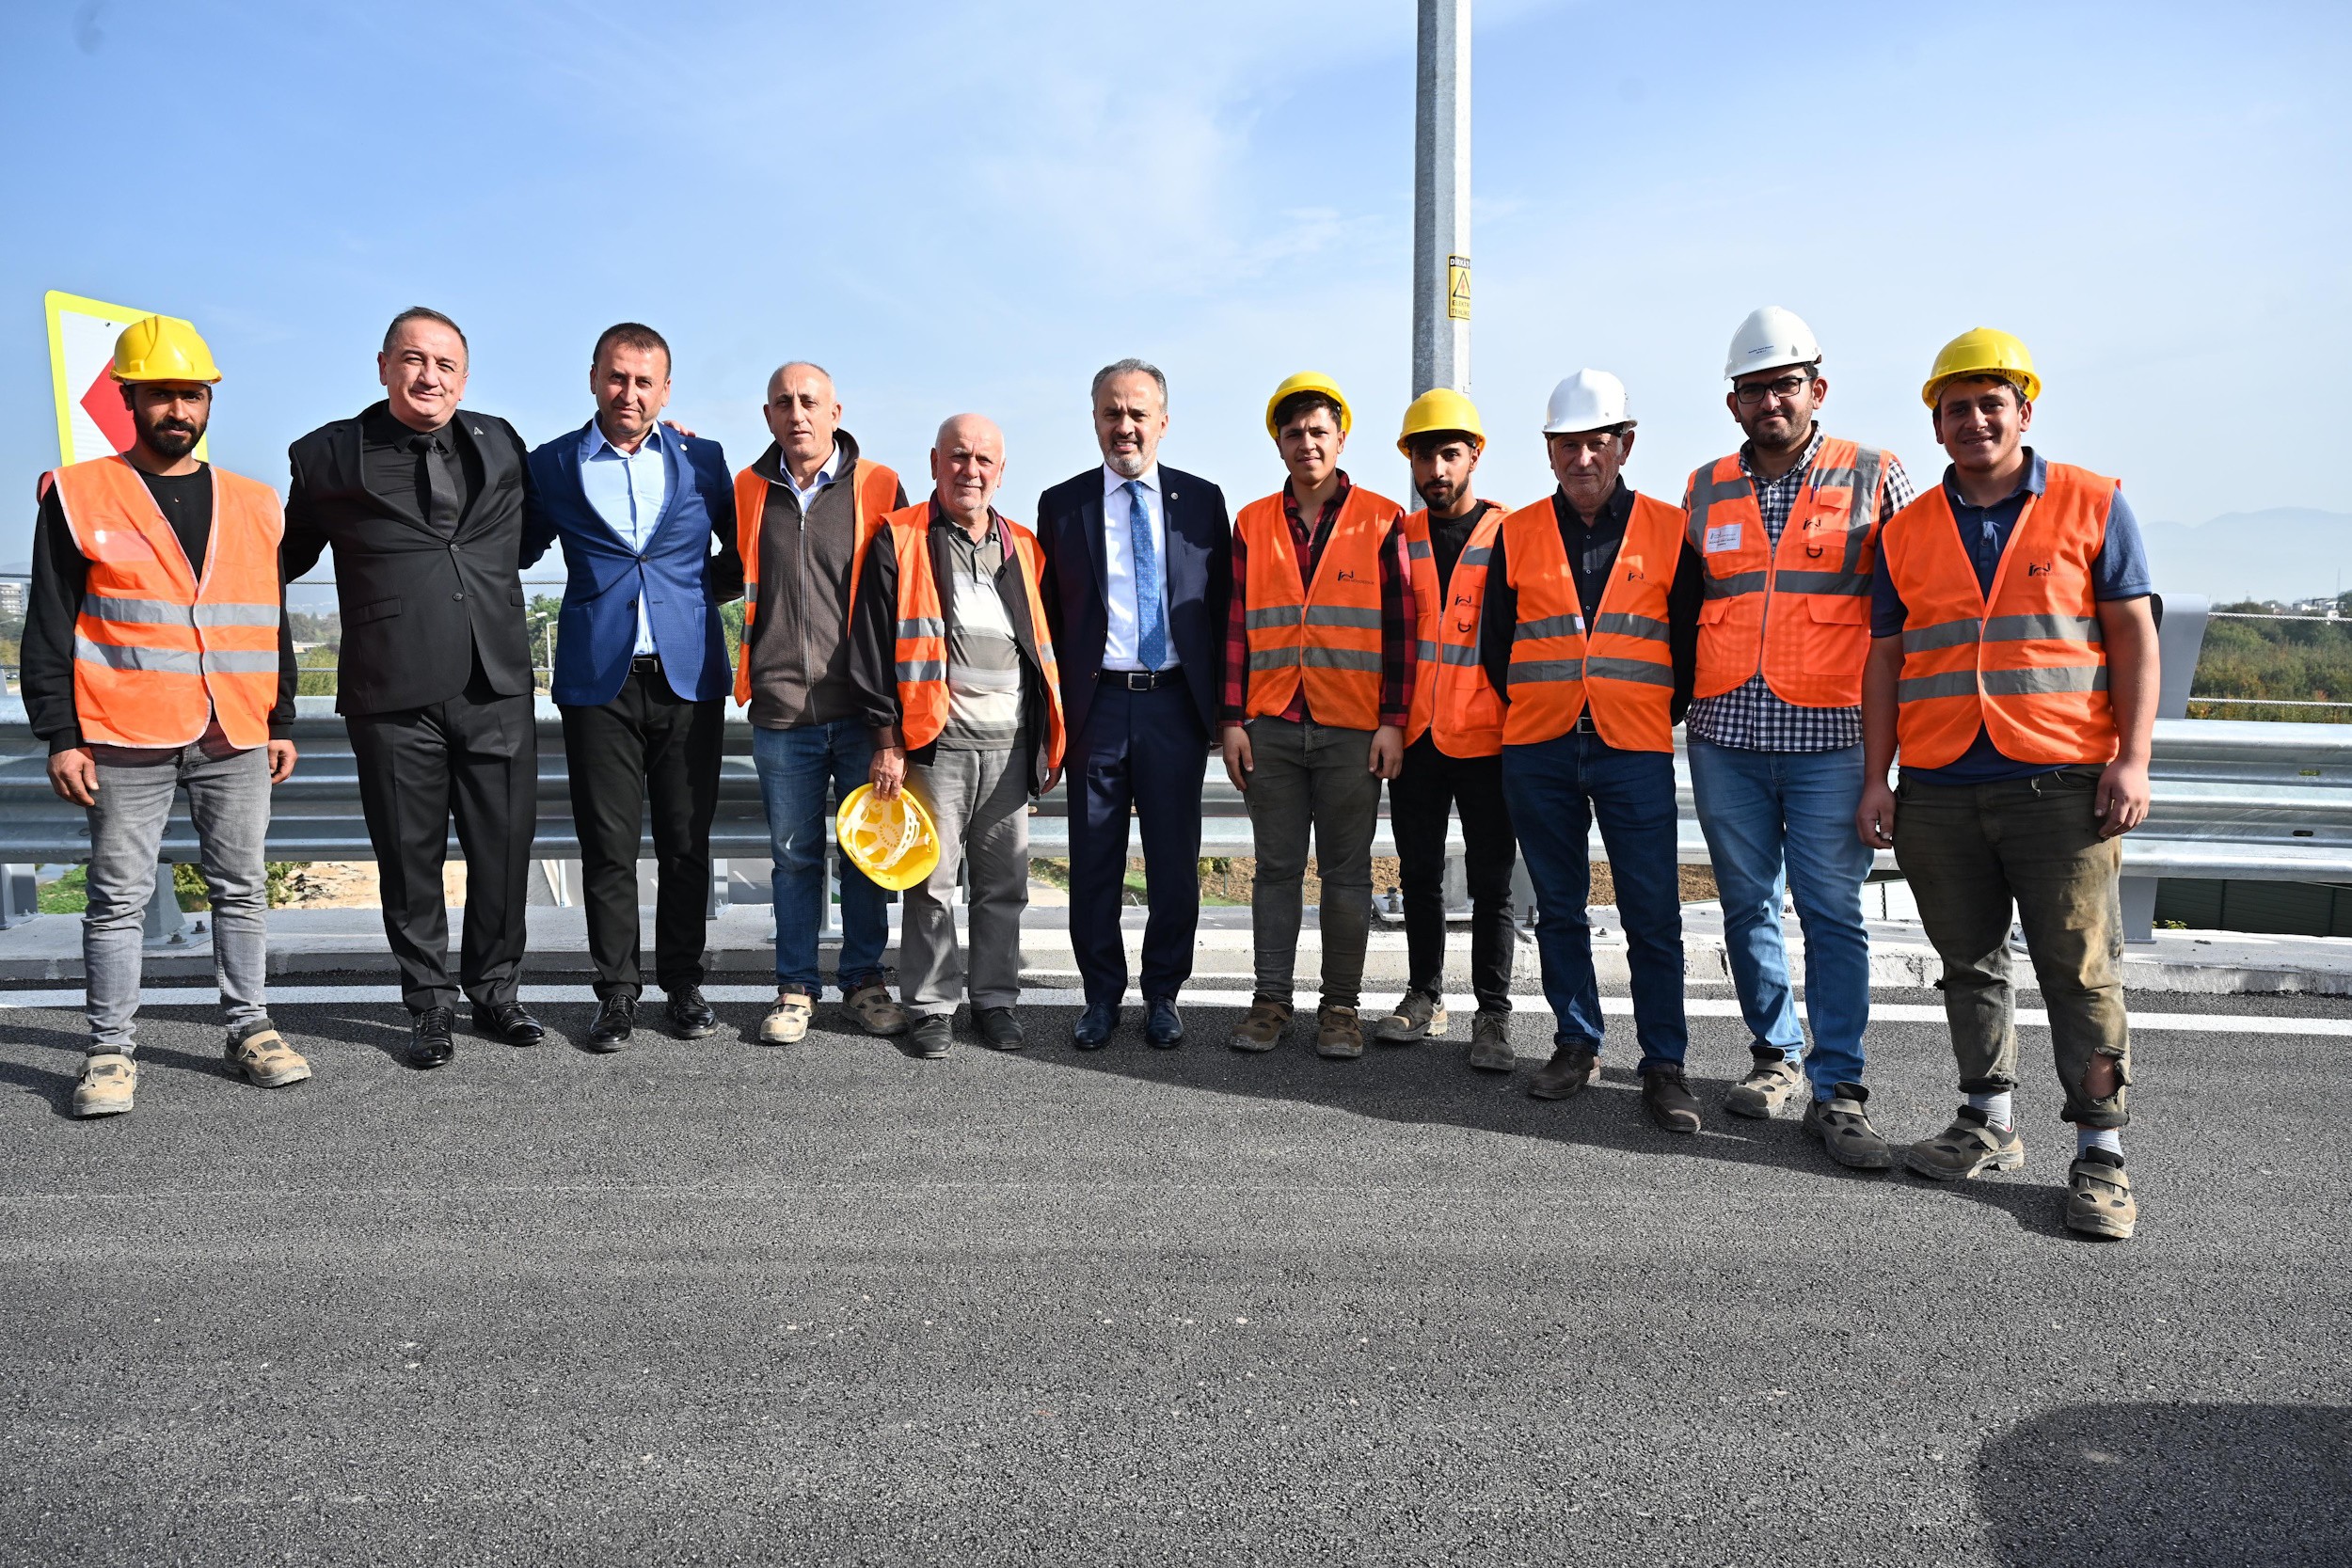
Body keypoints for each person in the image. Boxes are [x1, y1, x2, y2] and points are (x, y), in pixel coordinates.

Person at [1856, 328, 2155, 1241]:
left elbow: (2132, 634)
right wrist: (1878, 777)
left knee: (2081, 971)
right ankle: (1986, 1120)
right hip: (1941, 782)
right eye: (1957, 408)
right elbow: (1885, 660)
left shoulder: (2092, 502)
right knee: (1968, 963)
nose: (1975, 420)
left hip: (2061, 783)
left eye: (1992, 404)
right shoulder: (1905, 531)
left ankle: (2100, 1153)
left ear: (2024, 411)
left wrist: (2133, 757)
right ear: (1936, 425)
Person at [24, 317, 309, 1117]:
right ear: (128, 398)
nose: (177, 410)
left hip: (235, 727)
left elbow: (270, 618)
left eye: (191, 394)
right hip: (122, 730)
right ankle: (110, 1051)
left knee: (241, 888)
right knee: (118, 898)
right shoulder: (79, 493)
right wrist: (61, 734)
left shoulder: (254, 502)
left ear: (208, 400)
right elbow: (50, 621)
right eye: (159, 395)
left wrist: (281, 717)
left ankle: (250, 1027)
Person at [1680, 308, 1914, 1168]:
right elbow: (1684, 604)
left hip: (1833, 739)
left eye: (1785, 385)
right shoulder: (1705, 487)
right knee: (1746, 906)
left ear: (1817, 388)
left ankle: (1839, 1085)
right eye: (1754, 390)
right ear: (1733, 403)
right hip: (1726, 735)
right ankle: (1774, 1055)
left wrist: (1893, 757)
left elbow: (1913, 610)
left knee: (1831, 912)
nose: (1770, 401)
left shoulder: (1875, 473)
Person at [283, 308, 545, 1069]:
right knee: (409, 858)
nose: (430, 376)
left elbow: (530, 536)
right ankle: (429, 1005)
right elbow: (280, 558)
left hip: (495, 681)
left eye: (445, 364)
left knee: (504, 852)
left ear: (464, 377)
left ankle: (496, 992)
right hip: (391, 688)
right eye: (413, 359)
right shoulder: (328, 455)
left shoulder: (500, 441)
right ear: (383, 366)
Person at [1481, 371, 1707, 1132]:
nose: (1582, 458)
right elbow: (1495, 647)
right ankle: (1576, 1042)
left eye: (1597, 443)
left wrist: (1641, 709)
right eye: (1567, 444)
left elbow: (1687, 647)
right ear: (1549, 450)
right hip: (1539, 747)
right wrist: (1545, 704)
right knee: (1559, 907)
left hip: (1632, 747)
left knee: (1653, 912)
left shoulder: (1670, 529)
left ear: (1624, 445)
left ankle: (1665, 1063)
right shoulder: (1516, 534)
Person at [521, 323, 739, 1051]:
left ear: (666, 391)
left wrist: (688, 596)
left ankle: (682, 985)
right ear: (593, 377)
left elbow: (740, 554)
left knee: (685, 842)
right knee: (607, 846)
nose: (629, 392)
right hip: (598, 680)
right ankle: (616, 993)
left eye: (645, 381)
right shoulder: (552, 463)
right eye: (617, 377)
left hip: (689, 676)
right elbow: (515, 548)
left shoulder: (704, 459)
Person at [850, 415, 1066, 1059]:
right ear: (935, 462)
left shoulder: (1024, 546)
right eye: (958, 456)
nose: (970, 470)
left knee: (1004, 886)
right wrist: (886, 738)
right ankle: (932, 1005)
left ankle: (995, 1000)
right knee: (931, 884)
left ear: (1001, 472)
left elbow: (1042, 647)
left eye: (983, 460)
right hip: (935, 744)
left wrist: (1047, 739)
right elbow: (871, 646)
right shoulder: (900, 536)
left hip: (1011, 746)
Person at [1034, 358, 1231, 1051]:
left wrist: (1225, 713)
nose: (1125, 426)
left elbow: (1222, 611)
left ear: (1163, 422)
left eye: (1138, 413)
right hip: (1096, 708)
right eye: (1111, 412)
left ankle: (1164, 993)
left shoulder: (1202, 501)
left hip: (1173, 705)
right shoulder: (1062, 506)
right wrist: (1048, 725)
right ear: (1094, 420)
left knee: (1174, 862)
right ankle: (1100, 996)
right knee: (1093, 863)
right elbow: (1048, 619)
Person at [1221, 373, 1415, 1061]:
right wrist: (1231, 719)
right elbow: (1234, 627)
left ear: (1341, 439)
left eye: (1319, 431)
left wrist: (1393, 720)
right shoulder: (1251, 523)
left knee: (1347, 873)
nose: (1307, 443)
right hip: (1271, 722)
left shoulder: (1384, 518)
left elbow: (1401, 629)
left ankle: (1340, 1008)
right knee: (1275, 870)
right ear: (1278, 443)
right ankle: (1271, 1000)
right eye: (1294, 432)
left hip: (1352, 726)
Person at [734, 362, 910, 1046]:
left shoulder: (881, 484)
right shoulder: (747, 489)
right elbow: (721, 567)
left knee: (867, 856)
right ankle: (796, 987)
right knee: (794, 859)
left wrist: (893, 722)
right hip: (781, 712)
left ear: (837, 412)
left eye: (810, 401)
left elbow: (907, 596)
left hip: (863, 713)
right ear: (768, 415)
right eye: (783, 402)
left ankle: (864, 981)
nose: (797, 413)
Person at [1369, 388, 1518, 1071]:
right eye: (1424, 456)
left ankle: (1493, 1013)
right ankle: (1425, 995)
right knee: (1419, 873)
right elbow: (1387, 639)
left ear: (1474, 456)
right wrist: (1389, 722)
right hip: (1418, 736)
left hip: (1490, 738)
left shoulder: (1512, 534)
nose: (1437, 469)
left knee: (1492, 884)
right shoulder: (1399, 537)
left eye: (1449, 454)